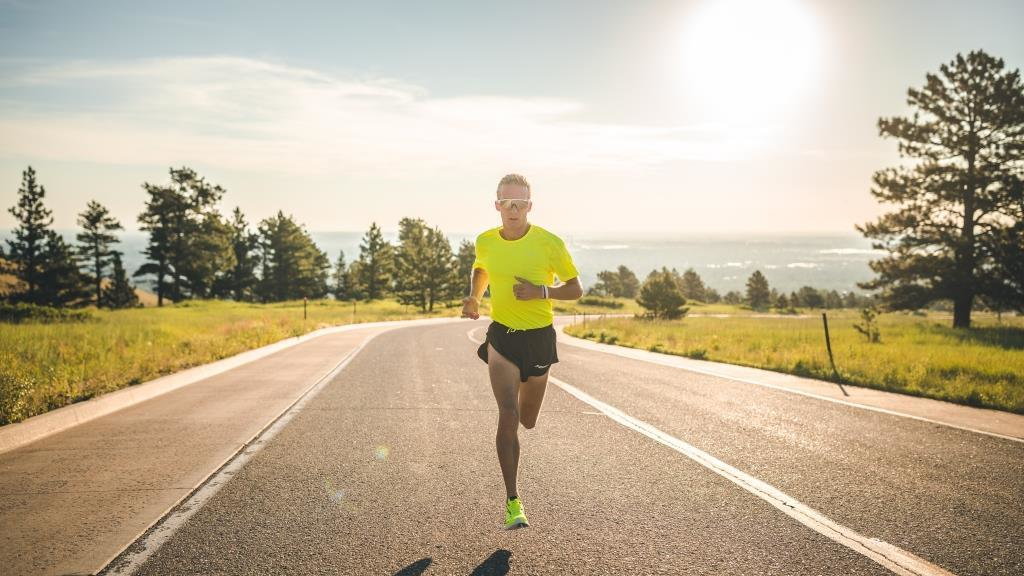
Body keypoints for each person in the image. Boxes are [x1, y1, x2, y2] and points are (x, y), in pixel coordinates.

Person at [461, 173, 583, 529]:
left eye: (520, 203)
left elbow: (575, 289)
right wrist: (474, 297)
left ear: (530, 205)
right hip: (503, 336)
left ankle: (521, 422)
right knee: (508, 414)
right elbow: (481, 267)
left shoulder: (549, 243)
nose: (513, 210)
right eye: (506, 203)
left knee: (527, 419)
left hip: (540, 339)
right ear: (496, 205)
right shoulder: (485, 240)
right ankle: (513, 501)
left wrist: (541, 292)